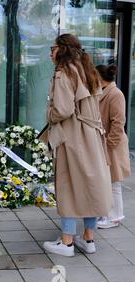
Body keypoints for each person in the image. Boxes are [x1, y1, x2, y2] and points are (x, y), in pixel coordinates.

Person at [42, 34, 112, 257]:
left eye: (52, 48)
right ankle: (88, 239)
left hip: (72, 136)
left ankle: (67, 242)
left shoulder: (64, 74)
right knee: (91, 185)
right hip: (91, 135)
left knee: (69, 187)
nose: (50, 53)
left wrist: (49, 115)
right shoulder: (87, 70)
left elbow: (63, 110)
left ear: (62, 49)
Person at [96, 65, 131, 228]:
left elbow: (118, 123)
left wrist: (109, 143)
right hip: (105, 143)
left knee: (114, 182)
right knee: (106, 181)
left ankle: (115, 216)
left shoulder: (115, 94)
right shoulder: (102, 91)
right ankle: (106, 214)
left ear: (99, 77)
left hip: (112, 145)